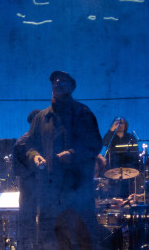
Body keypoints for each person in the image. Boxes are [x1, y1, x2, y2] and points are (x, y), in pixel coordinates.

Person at [25, 71, 102, 249]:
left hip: (77, 191)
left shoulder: (83, 113)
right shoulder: (41, 118)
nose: (58, 83)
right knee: (50, 240)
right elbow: (30, 146)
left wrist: (72, 155)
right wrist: (35, 156)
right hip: (49, 193)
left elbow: (95, 144)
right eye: (55, 81)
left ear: (72, 86)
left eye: (63, 80)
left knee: (81, 238)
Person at [13, 109, 41, 249]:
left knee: (27, 227)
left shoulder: (24, 141)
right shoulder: (25, 142)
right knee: (28, 228)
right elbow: (19, 170)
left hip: (29, 192)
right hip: (31, 191)